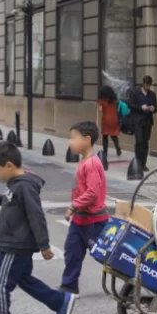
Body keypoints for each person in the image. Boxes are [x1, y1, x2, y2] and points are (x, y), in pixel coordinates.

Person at [0, 142, 77, 314]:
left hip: (15, 245)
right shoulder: (16, 185)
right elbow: (11, 199)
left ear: (9, 166)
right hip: (16, 243)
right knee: (25, 280)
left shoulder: (24, 187)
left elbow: (35, 215)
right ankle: (59, 301)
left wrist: (44, 245)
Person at [60, 121, 110, 295]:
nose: (70, 142)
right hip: (80, 220)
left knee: (106, 256)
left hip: (94, 222)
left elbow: (93, 192)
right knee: (72, 252)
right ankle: (69, 286)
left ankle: (134, 278)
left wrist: (74, 206)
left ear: (87, 139)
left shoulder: (92, 164)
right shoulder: (84, 161)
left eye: (73, 138)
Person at [128, 76, 157, 171]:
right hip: (137, 121)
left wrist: (152, 108)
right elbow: (130, 105)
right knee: (139, 141)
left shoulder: (152, 94)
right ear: (143, 83)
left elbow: (156, 108)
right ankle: (138, 162)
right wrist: (141, 107)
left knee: (145, 142)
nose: (147, 87)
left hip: (147, 121)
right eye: (146, 85)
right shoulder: (135, 92)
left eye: (149, 85)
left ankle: (143, 163)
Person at [97, 86, 122, 159]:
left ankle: (105, 152)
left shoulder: (102, 100)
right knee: (114, 135)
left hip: (106, 119)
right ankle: (117, 147)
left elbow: (100, 110)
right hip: (114, 119)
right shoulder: (114, 100)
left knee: (105, 136)